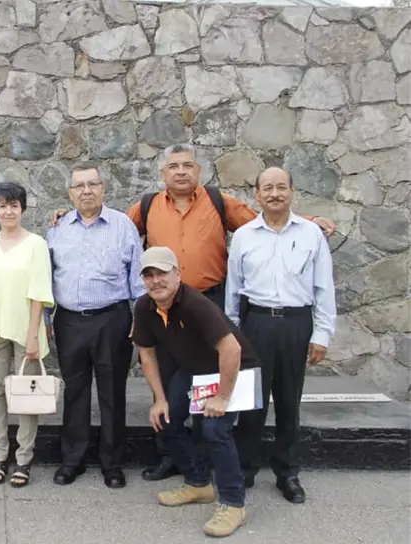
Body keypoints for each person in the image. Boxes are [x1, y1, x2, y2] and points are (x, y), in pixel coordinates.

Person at [50, 143, 335, 481]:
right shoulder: (145, 208)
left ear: (198, 171)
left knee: (209, 385)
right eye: (174, 166)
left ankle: (206, 458)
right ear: (163, 174)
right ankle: (170, 455)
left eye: (188, 165)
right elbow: (100, 221)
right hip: (166, 312)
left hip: (209, 306)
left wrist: (309, 221)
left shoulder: (219, 203)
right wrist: (62, 216)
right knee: (170, 387)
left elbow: (269, 218)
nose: (181, 171)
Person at [132, 246, 261, 538]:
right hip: (196, 370)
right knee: (164, 419)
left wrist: (223, 398)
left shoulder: (195, 304)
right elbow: (147, 354)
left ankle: (233, 503)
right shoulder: (144, 307)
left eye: (162, 273)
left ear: (177, 274)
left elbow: (232, 349)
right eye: (149, 275)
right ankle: (199, 483)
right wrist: (160, 399)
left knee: (215, 429)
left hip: (234, 369)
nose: (156, 280)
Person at [226, 167, 337, 503]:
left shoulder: (311, 235)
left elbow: (324, 287)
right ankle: (244, 470)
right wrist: (232, 332)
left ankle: (287, 473)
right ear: (257, 195)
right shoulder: (244, 235)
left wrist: (322, 334)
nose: (274, 194)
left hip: (295, 324)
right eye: (267, 188)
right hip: (256, 323)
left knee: (289, 403)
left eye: (281, 187)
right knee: (251, 403)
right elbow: (233, 289)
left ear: (292, 191)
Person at [44, 163, 145, 488]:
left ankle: (112, 464)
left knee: (112, 392)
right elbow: (46, 277)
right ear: (70, 192)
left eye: (92, 184)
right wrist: (46, 320)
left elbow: (138, 281)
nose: (86, 191)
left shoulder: (123, 226)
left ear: (103, 188)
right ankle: (72, 460)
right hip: (70, 320)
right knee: (75, 392)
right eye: (79, 186)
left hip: (112, 319)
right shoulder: (57, 228)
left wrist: (139, 321)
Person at [0, 182, 54, 488]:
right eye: (2, 206)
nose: (8, 211)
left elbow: (39, 292)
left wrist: (33, 334)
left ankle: (24, 458)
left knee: (26, 397)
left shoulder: (36, 244)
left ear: (23, 209)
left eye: (14, 205)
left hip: (26, 329)